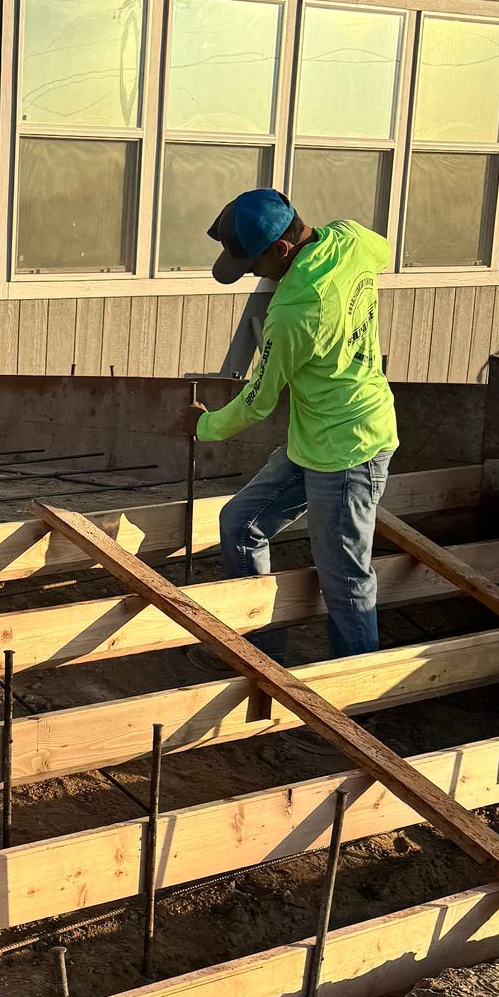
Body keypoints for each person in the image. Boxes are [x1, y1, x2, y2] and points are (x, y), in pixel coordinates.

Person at [194, 188, 398, 659]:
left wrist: (203, 427)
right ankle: (261, 651)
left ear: (283, 249)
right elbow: (382, 249)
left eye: (252, 264)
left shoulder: (293, 311)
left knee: (344, 580)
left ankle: (354, 699)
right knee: (240, 523)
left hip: (350, 450)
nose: (251, 274)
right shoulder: (350, 240)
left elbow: (257, 401)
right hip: (314, 440)